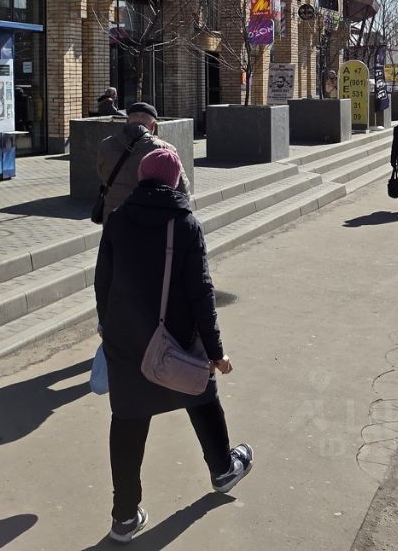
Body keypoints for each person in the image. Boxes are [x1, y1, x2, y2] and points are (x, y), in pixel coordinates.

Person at [95, 148, 253, 542]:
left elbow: (103, 282)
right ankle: (223, 469)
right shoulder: (184, 224)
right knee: (201, 392)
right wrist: (215, 352)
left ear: (142, 177)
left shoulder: (118, 219)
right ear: (177, 179)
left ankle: (124, 517)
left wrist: (109, 329)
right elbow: (201, 293)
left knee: (127, 420)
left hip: (128, 342)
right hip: (178, 338)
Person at [96, 103, 190, 219]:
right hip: (150, 217)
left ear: (127, 122)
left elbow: (102, 173)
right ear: (153, 126)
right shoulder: (165, 150)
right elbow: (182, 188)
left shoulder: (106, 145)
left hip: (113, 216)